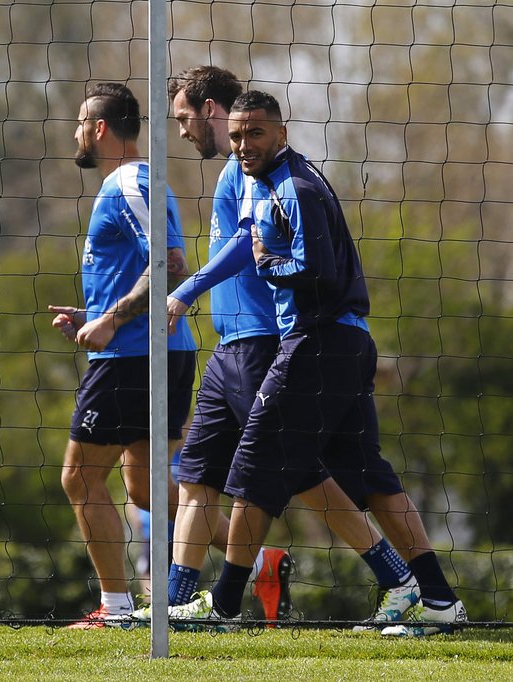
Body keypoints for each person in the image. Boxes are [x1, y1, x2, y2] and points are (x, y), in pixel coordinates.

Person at [163, 66, 466, 633]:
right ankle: (439, 598)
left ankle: (225, 605)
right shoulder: (279, 176)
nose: (241, 146)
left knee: (266, 469)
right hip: (316, 340)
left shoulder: (286, 183)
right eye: (238, 137)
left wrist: (209, 282)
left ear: (274, 130)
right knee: (359, 474)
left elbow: (310, 267)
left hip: (298, 342)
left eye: (251, 134)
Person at [48, 82, 198, 628]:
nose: (75, 132)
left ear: (100, 128)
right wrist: (98, 316)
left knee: (80, 480)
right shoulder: (133, 182)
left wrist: (112, 320)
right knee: (145, 488)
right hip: (153, 352)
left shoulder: (128, 183)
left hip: (136, 358)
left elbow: (170, 263)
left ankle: (115, 607)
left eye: (80, 122)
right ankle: (248, 563)